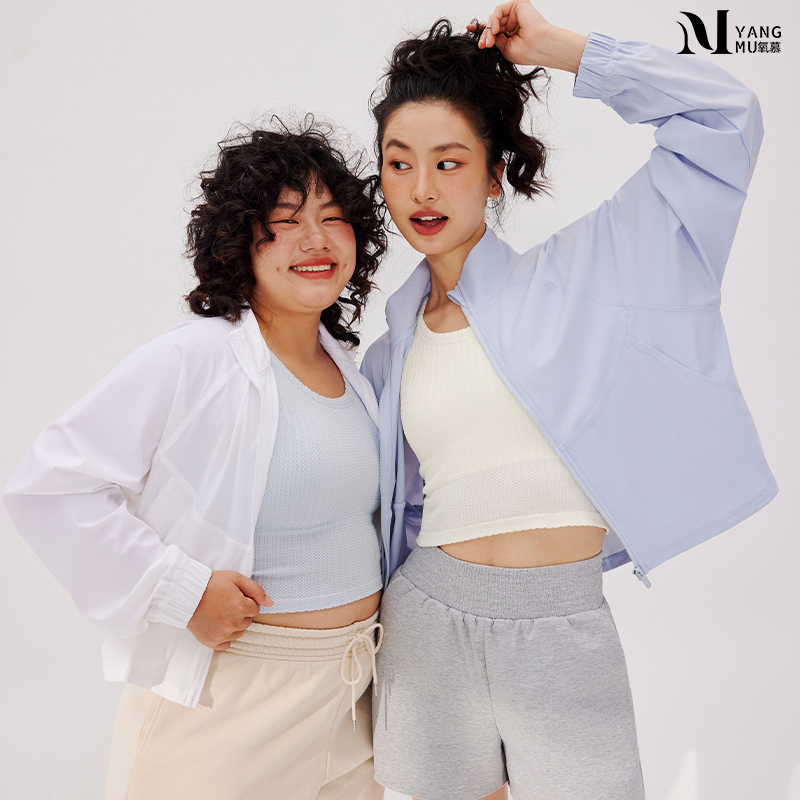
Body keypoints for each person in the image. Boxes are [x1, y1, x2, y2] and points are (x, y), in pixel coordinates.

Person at [360, 2, 776, 799]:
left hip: (563, 627)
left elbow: (725, 120)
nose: (422, 188)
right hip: (428, 628)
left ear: (494, 172)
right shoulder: (388, 356)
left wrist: (559, 48)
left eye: (449, 161)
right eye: (399, 163)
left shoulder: (591, 275)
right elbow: (389, 518)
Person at [3, 121, 387, 800]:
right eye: (286, 222)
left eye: (333, 218)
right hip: (230, 707)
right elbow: (51, 486)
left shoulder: (353, 373)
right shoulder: (197, 357)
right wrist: (180, 592)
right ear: (240, 239)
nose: (316, 240)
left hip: (352, 699)